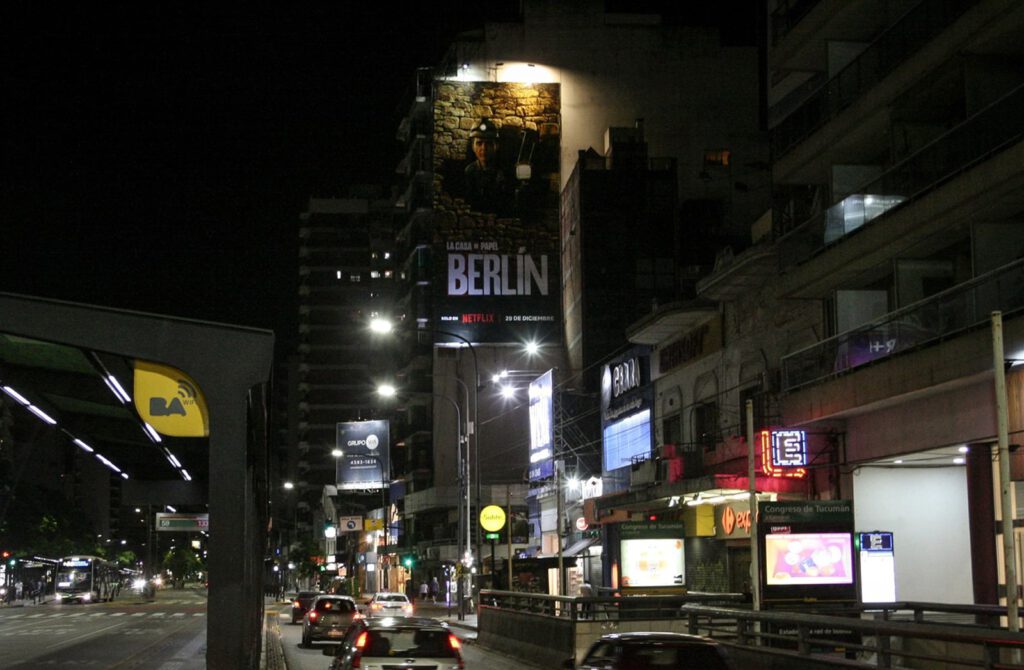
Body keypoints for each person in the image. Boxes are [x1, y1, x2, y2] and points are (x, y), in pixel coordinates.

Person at [463, 118, 512, 214]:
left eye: (489, 143)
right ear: (473, 147)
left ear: (496, 146)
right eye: (479, 143)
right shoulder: (470, 172)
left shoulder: (503, 173)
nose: (483, 148)